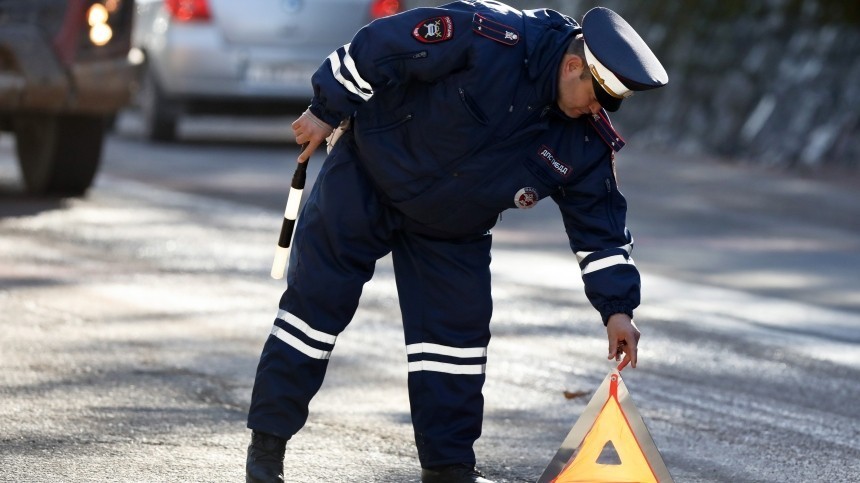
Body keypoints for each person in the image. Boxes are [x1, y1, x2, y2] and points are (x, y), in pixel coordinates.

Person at [245, 1, 668, 482]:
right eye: (597, 97)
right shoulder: (490, 35)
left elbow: (602, 231)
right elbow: (383, 45)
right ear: (573, 66)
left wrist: (617, 309)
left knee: (454, 352)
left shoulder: (585, 140)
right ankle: (267, 451)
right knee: (311, 317)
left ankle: (448, 471)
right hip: (367, 177)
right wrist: (326, 109)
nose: (598, 111)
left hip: (453, 227)